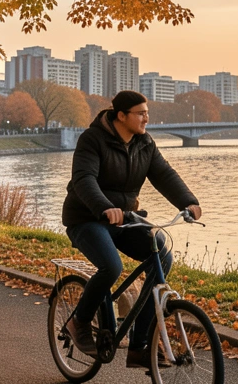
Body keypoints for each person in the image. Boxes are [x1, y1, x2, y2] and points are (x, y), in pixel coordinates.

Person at [62, 90, 202, 368]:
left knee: (162, 256)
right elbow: (83, 179)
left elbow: (164, 174)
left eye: (147, 112)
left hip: (125, 218)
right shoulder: (92, 140)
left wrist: (188, 201)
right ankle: (79, 322)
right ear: (121, 116)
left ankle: (139, 347)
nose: (146, 118)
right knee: (111, 267)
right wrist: (103, 207)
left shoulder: (144, 143)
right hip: (86, 218)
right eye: (140, 113)